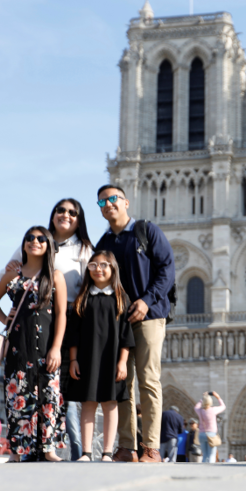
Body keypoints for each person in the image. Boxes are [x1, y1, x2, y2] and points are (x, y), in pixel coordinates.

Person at [2, 198, 94, 462]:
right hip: (27, 327)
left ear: (79, 218)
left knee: (60, 393)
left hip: (66, 321)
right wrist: (7, 318)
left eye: (72, 212)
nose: (66, 215)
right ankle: (25, 450)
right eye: (60, 210)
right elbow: (6, 278)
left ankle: (65, 450)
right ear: (53, 215)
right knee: (23, 390)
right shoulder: (36, 240)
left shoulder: (84, 248)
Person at [94, 185, 175, 463]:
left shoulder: (146, 230)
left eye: (113, 198)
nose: (108, 204)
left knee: (149, 379)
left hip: (149, 316)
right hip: (117, 323)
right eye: (102, 201)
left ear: (126, 202)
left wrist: (146, 301)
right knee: (122, 383)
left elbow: (167, 268)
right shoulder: (102, 244)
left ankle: (151, 447)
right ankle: (127, 446)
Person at [0, 226, 68, 462]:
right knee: (17, 396)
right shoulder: (13, 275)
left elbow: (62, 314)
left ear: (48, 245)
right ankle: (17, 450)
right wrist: (5, 319)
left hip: (46, 348)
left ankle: (48, 449)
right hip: (17, 346)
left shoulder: (56, 276)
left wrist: (56, 348)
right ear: (23, 244)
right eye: (30, 238)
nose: (35, 241)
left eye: (41, 238)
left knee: (48, 396)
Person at [67, 250, 135, 462]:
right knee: (87, 403)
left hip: (112, 360)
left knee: (110, 403)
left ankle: (107, 452)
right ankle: (86, 452)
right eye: (93, 265)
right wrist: (73, 360)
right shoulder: (82, 299)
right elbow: (74, 335)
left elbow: (126, 335)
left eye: (104, 265)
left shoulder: (121, 299)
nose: (98, 269)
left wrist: (122, 362)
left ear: (113, 269)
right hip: (87, 359)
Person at [194, 392, 225, 463]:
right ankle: (210, 470)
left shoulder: (200, 411)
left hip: (201, 434)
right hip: (211, 434)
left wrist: (202, 398)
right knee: (212, 455)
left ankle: (204, 471)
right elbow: (223, 406)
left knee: (204, 455)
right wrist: (218, 397)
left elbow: (196, 407)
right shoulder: (213, 410)